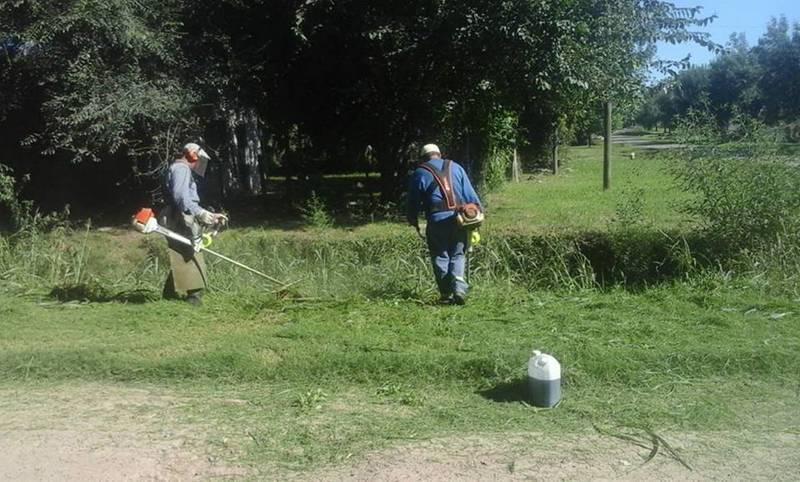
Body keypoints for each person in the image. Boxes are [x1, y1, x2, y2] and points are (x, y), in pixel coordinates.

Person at [407, 144, 482, 305]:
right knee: (458, 254)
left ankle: (446, 294)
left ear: (423, 158)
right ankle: (459, 289)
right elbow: (470, 195)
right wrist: (478, 212)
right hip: (459, 219)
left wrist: (412, 219)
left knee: (440, 255)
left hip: (436, 220)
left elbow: (413, 201)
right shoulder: (456, 167)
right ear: (439, 154)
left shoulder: (420, 172)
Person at [160, 143, 227, 305]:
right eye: (200, 159)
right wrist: (199, 213)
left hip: (180, 214)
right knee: (190, 252)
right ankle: (193, 297)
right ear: (192, 155)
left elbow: (187, 200)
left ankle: (169, 294)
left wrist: (208, 214)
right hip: (178, 216)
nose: (201, 163)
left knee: (183, 252)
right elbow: (180, 196)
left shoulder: (180, 169)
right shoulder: (181, 169)